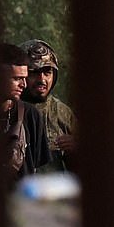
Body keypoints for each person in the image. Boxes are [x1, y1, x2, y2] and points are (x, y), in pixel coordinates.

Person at [19, 39, 77, 172]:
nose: (42, 80)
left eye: (47, 72)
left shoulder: (62, 112)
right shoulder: (9, 109)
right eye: (34, 72)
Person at [0, 43, 51, 179]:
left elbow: (37, 166)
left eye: (24, 78)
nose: (24, 84)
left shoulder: (31, 115)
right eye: (16, 79)